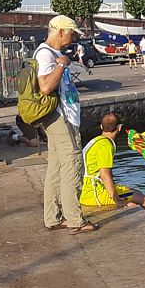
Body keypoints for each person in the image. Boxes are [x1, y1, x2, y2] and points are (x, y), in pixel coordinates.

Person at [36, 15, 96, 234]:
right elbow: (45, 86)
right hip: (60, 117)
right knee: (72, 165)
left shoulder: (54, 54)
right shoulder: (46, 55)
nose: (72, 39)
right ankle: (75, 219)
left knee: (57, 167)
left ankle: (53, 217)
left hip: (64, 116)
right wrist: (61, 65)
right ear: (60, 32)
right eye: (71, 34)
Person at [80, 112, 145, 210]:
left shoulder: (96, 140)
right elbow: (105, 175)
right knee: (144, 200)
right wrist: (118, 201)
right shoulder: (105, 146)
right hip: (94, 193)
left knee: (136, 192)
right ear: (119, 128)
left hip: (85, 188)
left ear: (101, 126)